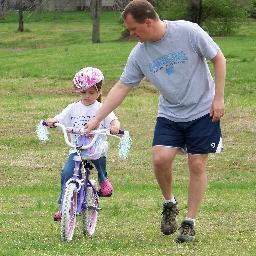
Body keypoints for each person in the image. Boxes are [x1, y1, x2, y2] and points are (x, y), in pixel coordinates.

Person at [85, 0, 226, 243]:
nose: (131, 34)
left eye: (133, 29)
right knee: (160, 159)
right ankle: (170, 203)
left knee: (197, 164)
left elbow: (219, 58)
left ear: (148, 22)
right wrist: (97, 118)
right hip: (170, 113)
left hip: (203, 110)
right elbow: (122, 86)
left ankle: (189, 222)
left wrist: (219, 98)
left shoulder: (188, 31)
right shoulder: (140, 53)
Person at [47, 67, 120, 221]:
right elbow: (60, 118)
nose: (87, 96)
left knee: (99, 158)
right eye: (83, 92)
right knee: (66, 173)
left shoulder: (101, 108)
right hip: (77, 149)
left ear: (99, 92)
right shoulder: (73, 108)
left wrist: (114, 126)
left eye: (91, 93)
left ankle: (103, 179)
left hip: (94, 147)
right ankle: (63, 206)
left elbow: (113, 119)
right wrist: (54, 121)